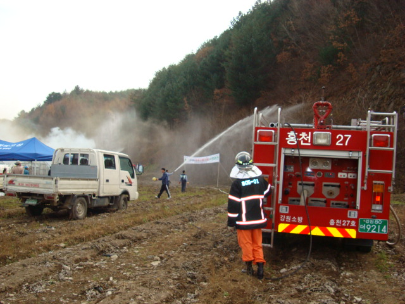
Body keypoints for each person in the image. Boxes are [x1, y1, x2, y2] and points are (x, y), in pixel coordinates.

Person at [227, 151, 271, 280]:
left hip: (244, 222)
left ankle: (249, 268)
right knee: (257, 244)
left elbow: (233, 206)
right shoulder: (260, 180)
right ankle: (261, 269)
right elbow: (268, 191)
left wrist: (230, 223)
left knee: (246, 244)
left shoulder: (237, 184)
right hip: (258, 219)